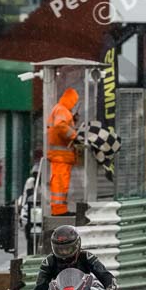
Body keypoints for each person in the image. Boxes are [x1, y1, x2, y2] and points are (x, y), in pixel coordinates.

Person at [47, 88, 79, 216]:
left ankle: (60, 209)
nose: (75, 104)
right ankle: (59, 210)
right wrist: (74, 135)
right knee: (60, 184)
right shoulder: (62, 110)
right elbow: (60, 126)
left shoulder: (61, 109)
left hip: (60, 156)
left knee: (61, 184)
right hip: (60, 156)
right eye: (74, 101)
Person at [18, 163, 41, 255]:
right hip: (30, 209)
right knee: (26, 223)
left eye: (38, 174)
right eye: (35, 174)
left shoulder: (48, 183)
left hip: (41, 209)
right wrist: (22, 207)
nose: (37, 176)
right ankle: (30, 252)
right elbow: (25, 197)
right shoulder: (30, 182)